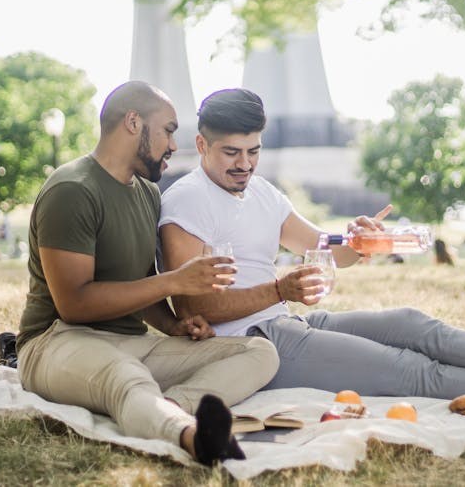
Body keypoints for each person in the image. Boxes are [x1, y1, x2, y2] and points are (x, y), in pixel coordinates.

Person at [160, 88, 465, 400]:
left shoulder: (262, 192)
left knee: (414, 324)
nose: (245, 164)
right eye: (231, 153)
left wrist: (360, 240)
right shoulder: (186, 203)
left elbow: (327, 247)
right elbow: (195, 309)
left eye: (254, 151)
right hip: (251, 345)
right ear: (201, 146)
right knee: (412, 370)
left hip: (286, 320)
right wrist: (279, 291)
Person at [15, 81, 278, 466]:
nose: (174, 144)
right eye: (168, 131)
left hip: (130, 342)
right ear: (133, 123)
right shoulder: (72, 190)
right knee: (124, 376)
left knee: (259, 352)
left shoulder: (147, 193)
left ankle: (169, 406)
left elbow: (139, 284)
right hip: (54, 341)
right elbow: (74, 305)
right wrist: (175, 281)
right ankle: (191, 437)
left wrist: (173, 325)